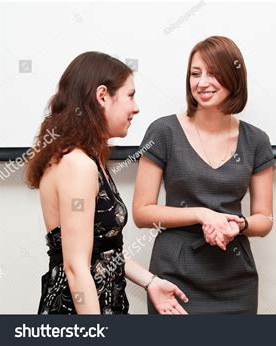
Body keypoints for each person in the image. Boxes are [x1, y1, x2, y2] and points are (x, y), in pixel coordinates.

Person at [25, 51, 188, 314]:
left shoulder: (88, 157)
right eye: (130, 95)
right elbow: (76, 268)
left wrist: (151, 282)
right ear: (102, 96)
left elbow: (102, 252)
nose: (136, 107)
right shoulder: (77, 165)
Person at [133, 36, 275, 314]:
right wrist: (202, 214)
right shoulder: (163, 132)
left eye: (213, 73)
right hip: (173, 273)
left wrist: (239, 225)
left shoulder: (256, 140)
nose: (202, 82)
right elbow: (142, 212)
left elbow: (264, 220)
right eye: (195, 74)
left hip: (235, 275)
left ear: (234, 78)